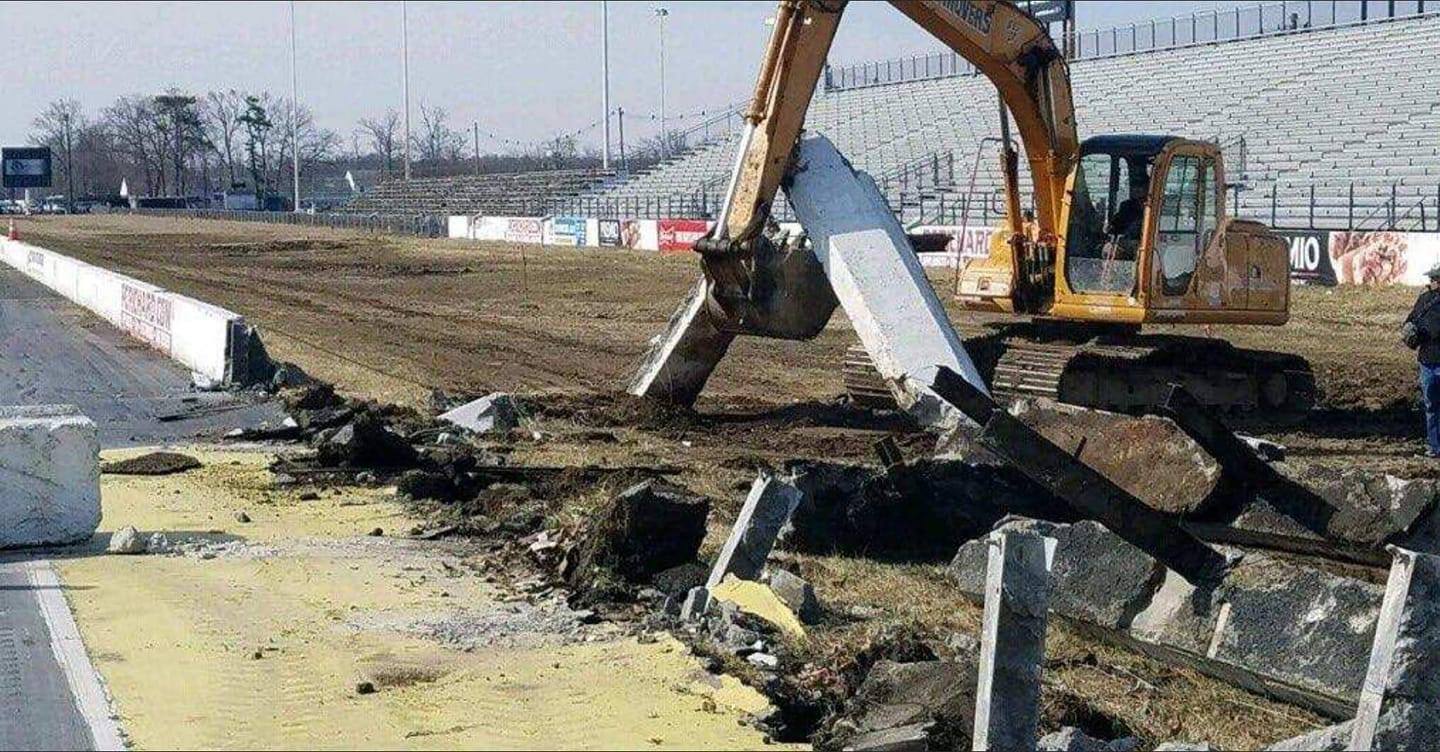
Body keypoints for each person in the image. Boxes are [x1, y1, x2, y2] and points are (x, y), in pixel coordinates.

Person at [1404, 264, 1440, 457]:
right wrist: (1409, 331)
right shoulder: (1425, 300)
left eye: (1434, 279)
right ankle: (1435, 447)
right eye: (1431, 279)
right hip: (1427, 361)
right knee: (1431, 405)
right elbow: (1410, 321)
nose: (1431, 282)